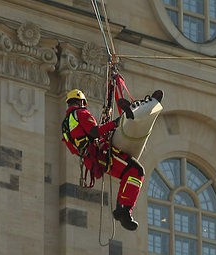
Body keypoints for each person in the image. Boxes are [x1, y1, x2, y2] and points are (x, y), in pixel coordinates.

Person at [61, 88, 163, 231]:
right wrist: (115, 123)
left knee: (128, 174)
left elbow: (75, 148)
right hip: (101, 154)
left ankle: (122, 209)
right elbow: (94, 131)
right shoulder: (81, 113)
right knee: (136, 171)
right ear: (82, 101)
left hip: (93, 159)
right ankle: (124, 210)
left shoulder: (65, 125)